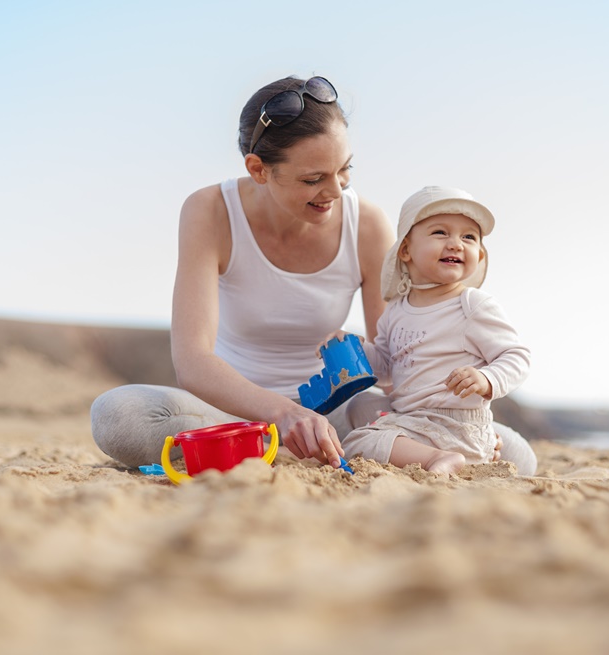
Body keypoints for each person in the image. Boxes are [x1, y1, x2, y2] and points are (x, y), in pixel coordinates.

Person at [90, 75, 393, 470]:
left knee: (499, 441)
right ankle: (265, 444)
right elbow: (192, 359)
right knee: (119, 415)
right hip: (237, 413)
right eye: (313, 179)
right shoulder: (210, 211)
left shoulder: (366, 224)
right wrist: (284, 414)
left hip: (336, 417)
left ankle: (273, 452)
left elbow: (394, 355)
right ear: (258, 169)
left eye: (344, 170)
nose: (336, 191)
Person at [336, 186, 536, 475]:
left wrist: (487, 377)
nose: (456, 243)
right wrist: (354, 348)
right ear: (406, 250)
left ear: (479, 255)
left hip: (457, 423)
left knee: (357, 443)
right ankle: (428, 452)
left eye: (469, 237)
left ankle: (437, 459)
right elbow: (387, 368)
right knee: (360, 405)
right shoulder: (395, 310)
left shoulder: (471, 306)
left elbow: (517, 356)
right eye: (441, 232)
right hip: (414, 419)